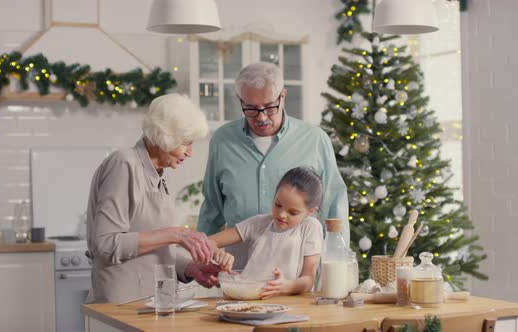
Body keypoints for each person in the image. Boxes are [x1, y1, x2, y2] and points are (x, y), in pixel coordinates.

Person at [197, 62, 349, 270]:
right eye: (250, 108)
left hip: (296, 271)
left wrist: (338, 265)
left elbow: (334, 206)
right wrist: (202, 261)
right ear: (240, 100)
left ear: (283, 95)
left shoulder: (314, 139)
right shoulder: (222, 141)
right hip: (238, 270)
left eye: (269, 106)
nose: (261, 117)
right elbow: (211, 210)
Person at [86, 94, 220, 304]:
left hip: (154, 303)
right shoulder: (124, 164)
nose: (190, 153)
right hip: (121, 306)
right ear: (165, 136)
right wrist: (175, 234)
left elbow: (155, 249)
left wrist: (191, 268)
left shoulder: (158, 177)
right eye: (186, 143)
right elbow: (104, 244)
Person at [209, 167, 324, 299]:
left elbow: (308, 279)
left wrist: (285, 286)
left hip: (288, 303)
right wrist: (218, 253)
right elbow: (208, 242)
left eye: (293, 212)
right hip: (246, 299)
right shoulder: (258, 223)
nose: (281, 215)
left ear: (310, 212)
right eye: (278, 204)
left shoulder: (310, 228)